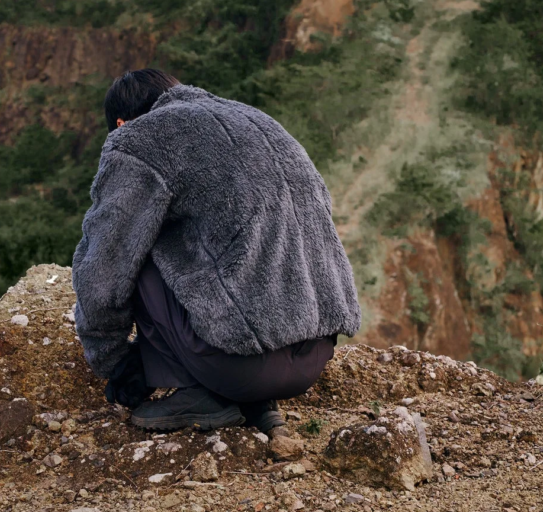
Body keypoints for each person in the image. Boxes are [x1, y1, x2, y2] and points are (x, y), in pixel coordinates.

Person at [71, 69, 361, 432]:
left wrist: (115, 363)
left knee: (137, 243)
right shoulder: (257, 120)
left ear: (120, 123)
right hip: (313, 358)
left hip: (236, 367)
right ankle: (250, 399)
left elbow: (103, 265)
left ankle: (200, 393)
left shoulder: (139, 137)